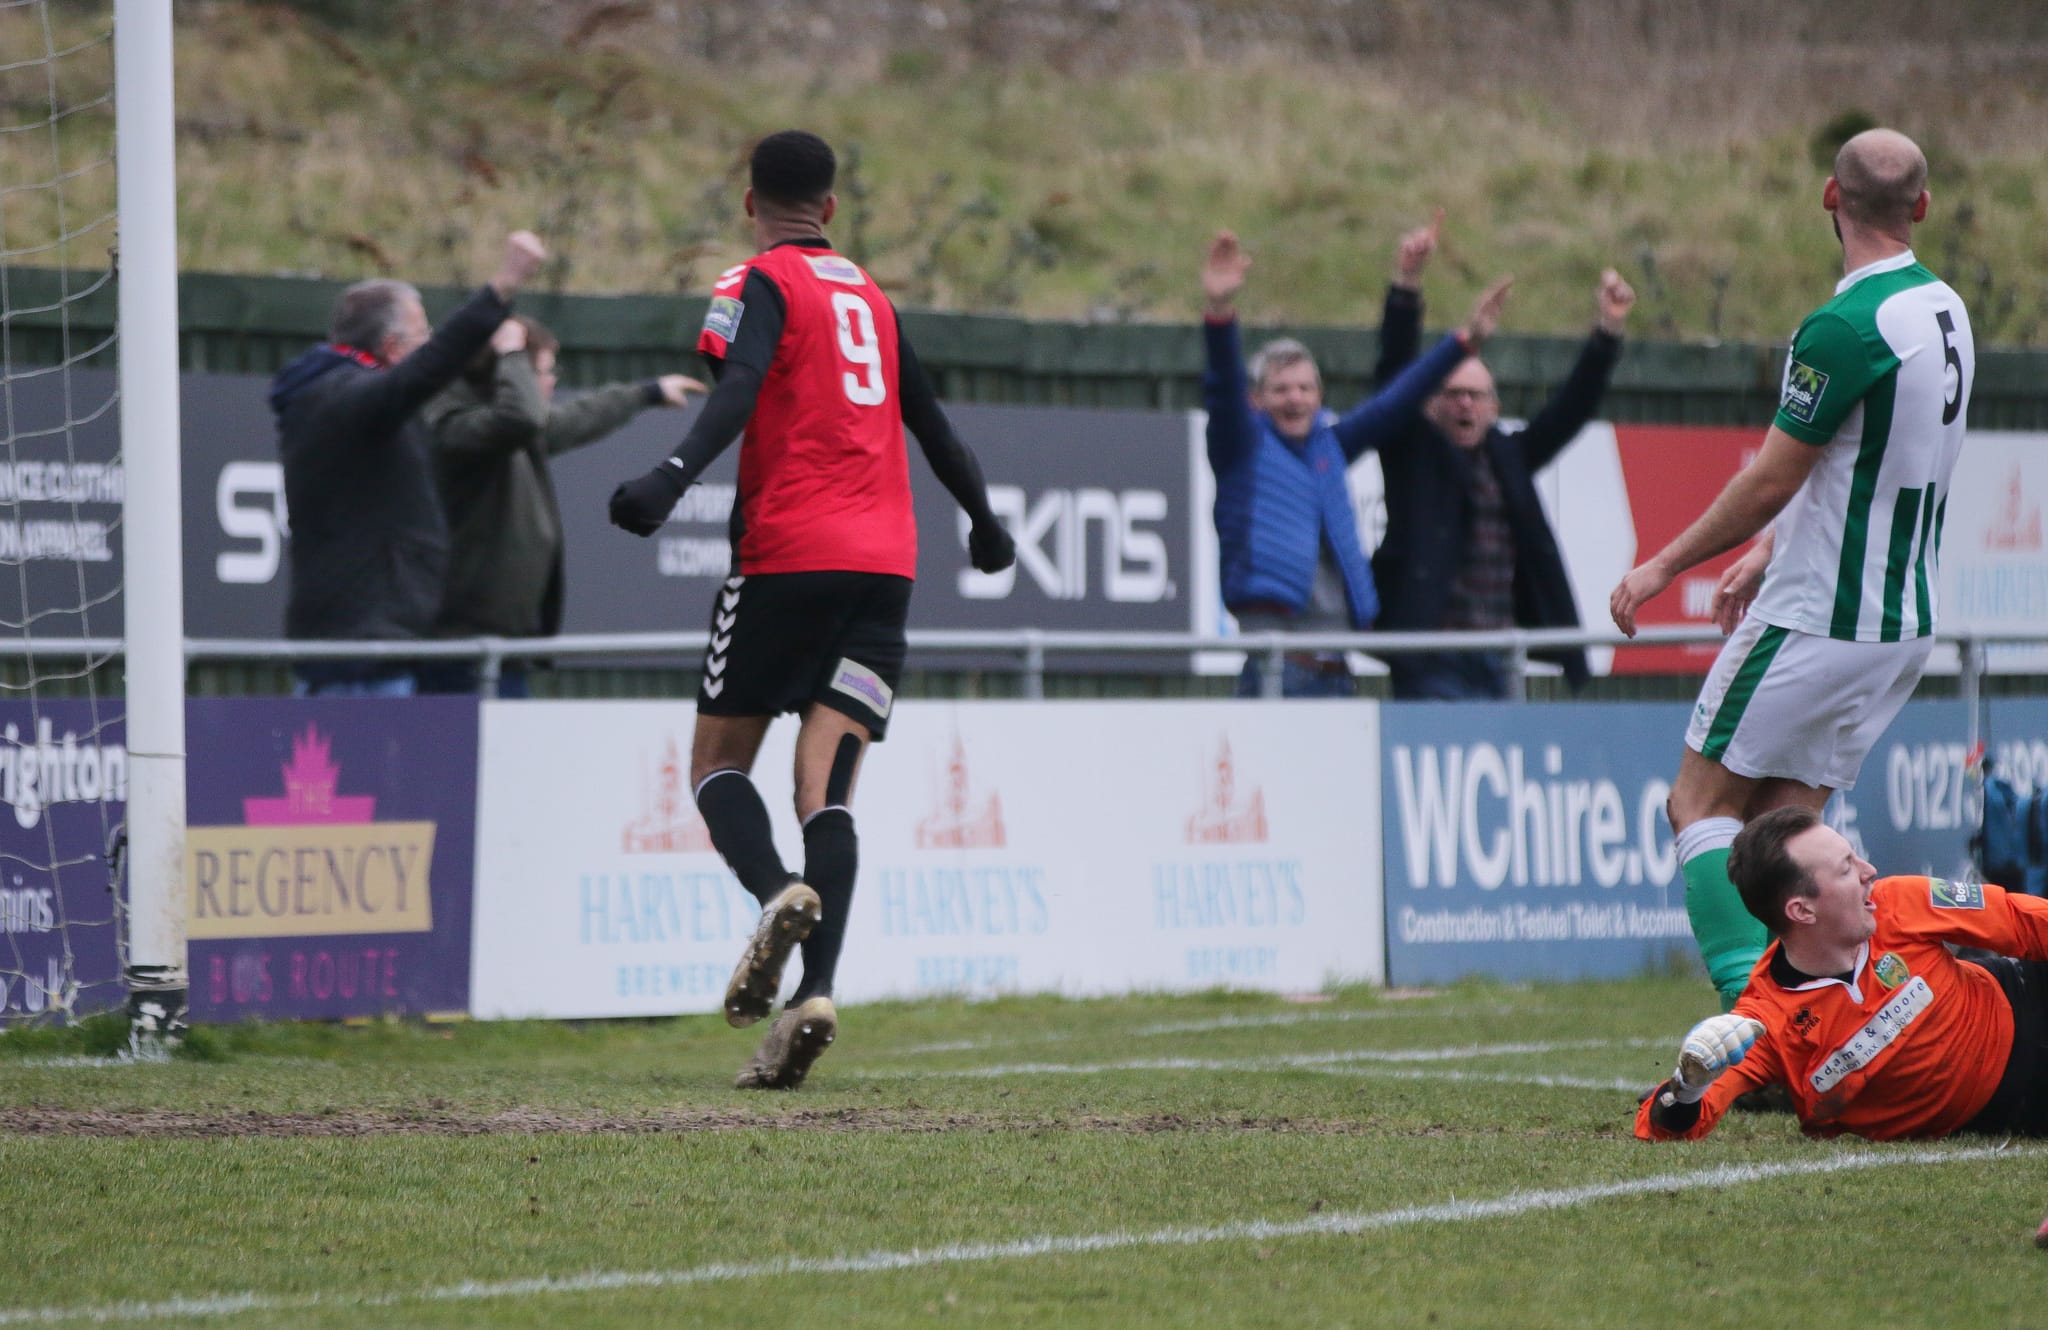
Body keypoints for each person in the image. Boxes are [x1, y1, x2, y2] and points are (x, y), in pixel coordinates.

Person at [607, 130, 1016, 1090]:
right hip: (886, 575)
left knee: (714, 767)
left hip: (787, 560)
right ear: (831, 208)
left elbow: (739, 386)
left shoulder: (754, 282)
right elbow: (931, 421)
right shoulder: (872, 297)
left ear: (752, 203)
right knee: (823, 790)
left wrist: (668, 477)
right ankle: (814, 996)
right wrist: (986, 521)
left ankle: (771, 891)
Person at [1610, 128, 1975, 1010]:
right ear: (1922, 207)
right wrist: (1768, 551)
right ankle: (1834, 1018)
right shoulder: (1946, 310)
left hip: (1821, 618)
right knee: (1790, 838)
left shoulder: (1845, 326)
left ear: (1828, 198)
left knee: (1698, 809)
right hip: (1898, 627)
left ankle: (1757, 1024)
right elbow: (1872, 464)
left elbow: (1777, 474)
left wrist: (1663, 564)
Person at [1201, 229, 1512, 698]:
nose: (1295, 398)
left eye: (1305, 388)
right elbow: (1222, 387)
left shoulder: (1329, 447)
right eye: (1282, 389)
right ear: (1257, 400)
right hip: (1278, 672)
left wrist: (1465, 342)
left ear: (1320, 398)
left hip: (1338, 672)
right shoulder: (1241, 448)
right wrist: (1221, 314)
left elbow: (1396, 400)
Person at [1636, 806, 2048, 1141]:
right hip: (2008, 1109)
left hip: (2027, 1001)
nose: (1869, 871)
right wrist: (1687, 1088)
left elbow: (2021, 921)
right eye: (1846, 869)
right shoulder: (1766, 1021)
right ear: (1802, 910)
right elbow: (1666, 1128)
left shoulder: (1899, 901)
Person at [270, 231, 548, 696]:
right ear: (395, 349)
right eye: (424, 334)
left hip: (374, 644)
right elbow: (427, 371)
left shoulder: (336, 397)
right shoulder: (349, 399)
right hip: (362, 657)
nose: (432, 342)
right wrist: (502, 287)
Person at [1373, 211, 1633, 700]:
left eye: (1476, 396)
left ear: (1494, 407)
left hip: (1500, 655)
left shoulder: (1507, 456)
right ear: (1428, 402)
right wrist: (1406, 286)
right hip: (1430, 657)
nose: (1464, 404)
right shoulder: (1412, 455)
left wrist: (1607, 335)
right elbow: (1393, 375)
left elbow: (1570, 412)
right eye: (1452, 393)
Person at [421, 314, 706, 695]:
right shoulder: (468, 432)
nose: (551, 381)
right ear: (505, 378)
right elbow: (523, 417)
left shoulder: (513, 436)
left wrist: (647, 392)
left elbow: (577, 417)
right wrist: (511, 353)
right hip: (460, 652)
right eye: (540, 371)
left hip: (503, 648)